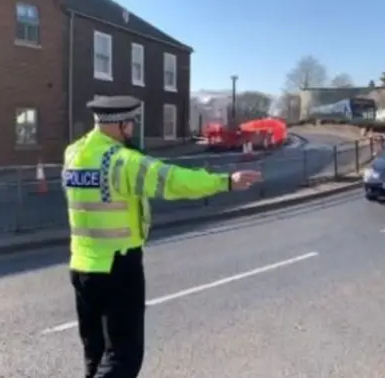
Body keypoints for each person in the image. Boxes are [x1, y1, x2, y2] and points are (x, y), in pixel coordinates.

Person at [63, 95, 262, 378]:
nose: (132, 130)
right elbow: (173, 180)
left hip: (81, 266)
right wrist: (225, 182)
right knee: (123, 357)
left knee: (95, 354)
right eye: (129, 124)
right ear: (119, 125)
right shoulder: (122, 160)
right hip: (118, 267)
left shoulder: (72, 154)